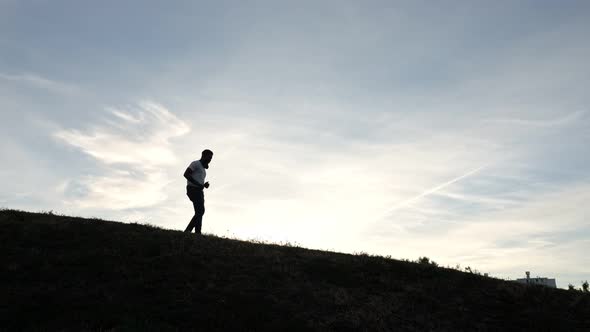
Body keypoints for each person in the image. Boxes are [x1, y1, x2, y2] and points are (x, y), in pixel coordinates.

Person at [183, 149, 213, 235]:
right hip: (193, 189)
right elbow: (186, 174)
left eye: (211, 158)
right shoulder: (195, 163)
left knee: (200, 212)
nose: (210, 160)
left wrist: (204, 185)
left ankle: (193, 232)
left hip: (199, 191)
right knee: (200, 211)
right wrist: (198, 184)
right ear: (203, 156)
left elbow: (199, 181)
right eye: (209, 157)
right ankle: (194, 232)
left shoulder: (203, 170)